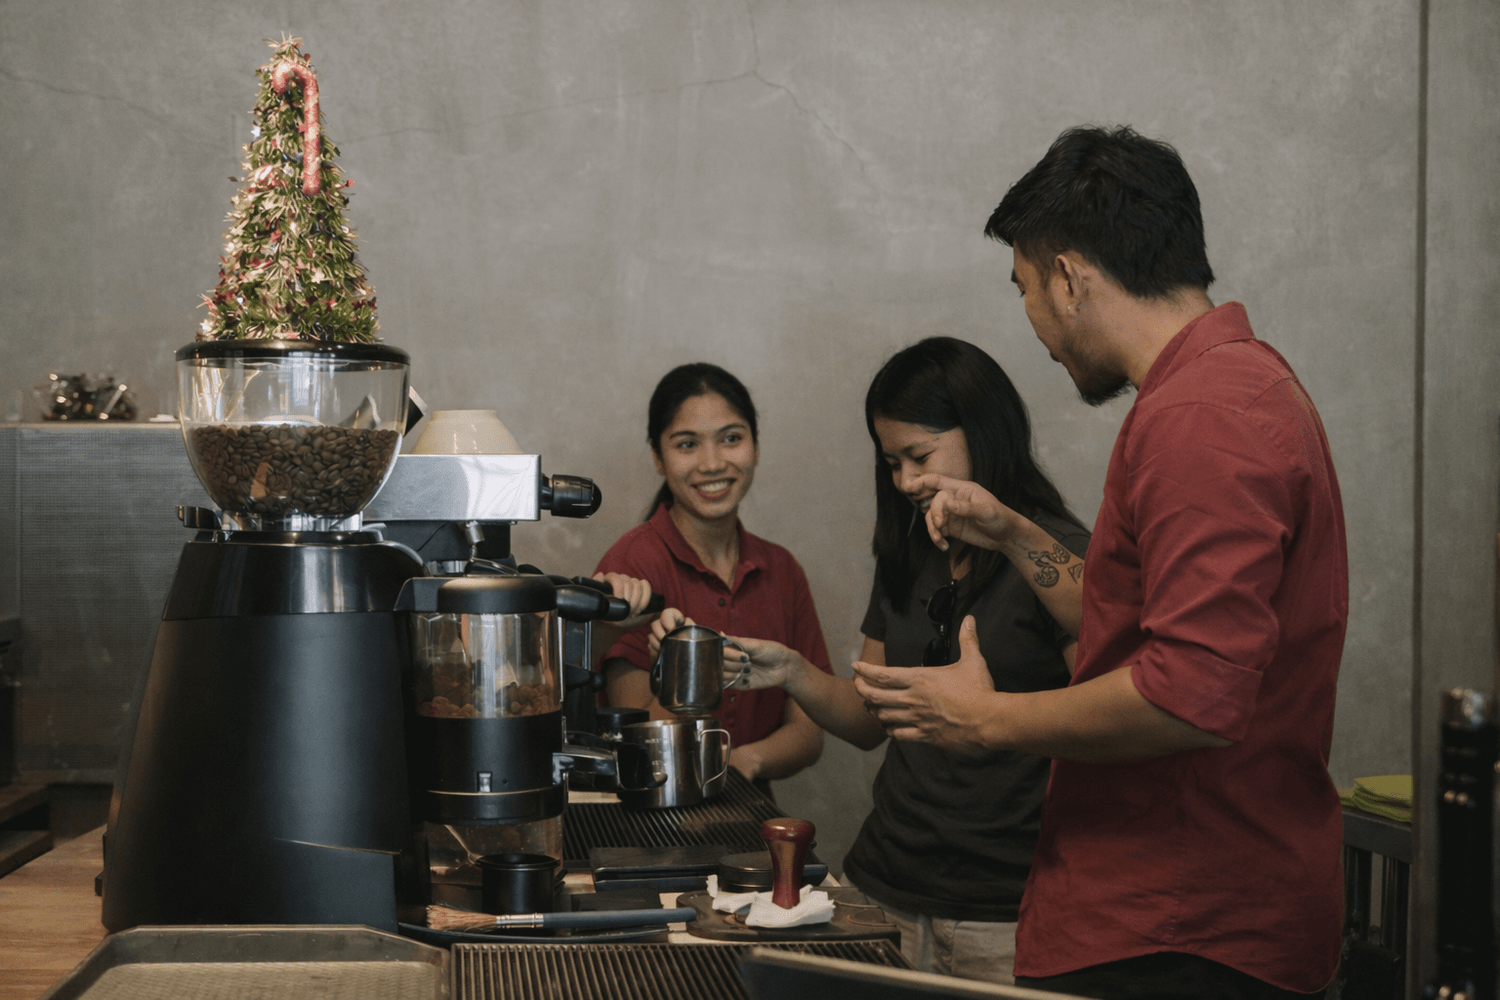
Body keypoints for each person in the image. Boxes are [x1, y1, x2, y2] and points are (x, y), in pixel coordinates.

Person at [852, 126, 1348, 999]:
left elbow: (1190, 694)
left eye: (1026, 290)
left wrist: (986, 719)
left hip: (1182, 929)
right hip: (1158, 915)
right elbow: (1142, 631)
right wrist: (1014, 532)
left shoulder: (1204, 416)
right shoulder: (1223, 388)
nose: (1037, 326)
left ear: (1070, 278)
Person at [698, 337, 1088, 984]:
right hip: (884, 883)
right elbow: (869, 717)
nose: (906, 481)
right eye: (891, 463)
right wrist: (792, 670)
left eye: (920, 457)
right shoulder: (914, 546)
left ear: (982, 432)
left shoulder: (1056, 557)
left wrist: (988, 714)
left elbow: (1114, 708)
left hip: (1007, 908)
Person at [593, 363, 829, 790]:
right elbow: (634, 741)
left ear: (755, 444)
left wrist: (744, 761)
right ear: (658, 457)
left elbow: (809, 731)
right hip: (651, 813)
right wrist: (688, 678)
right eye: (687, 444)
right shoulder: (632, 566)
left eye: (731, 439)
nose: (713, 463)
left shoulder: (782, 569)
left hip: (750, 814)